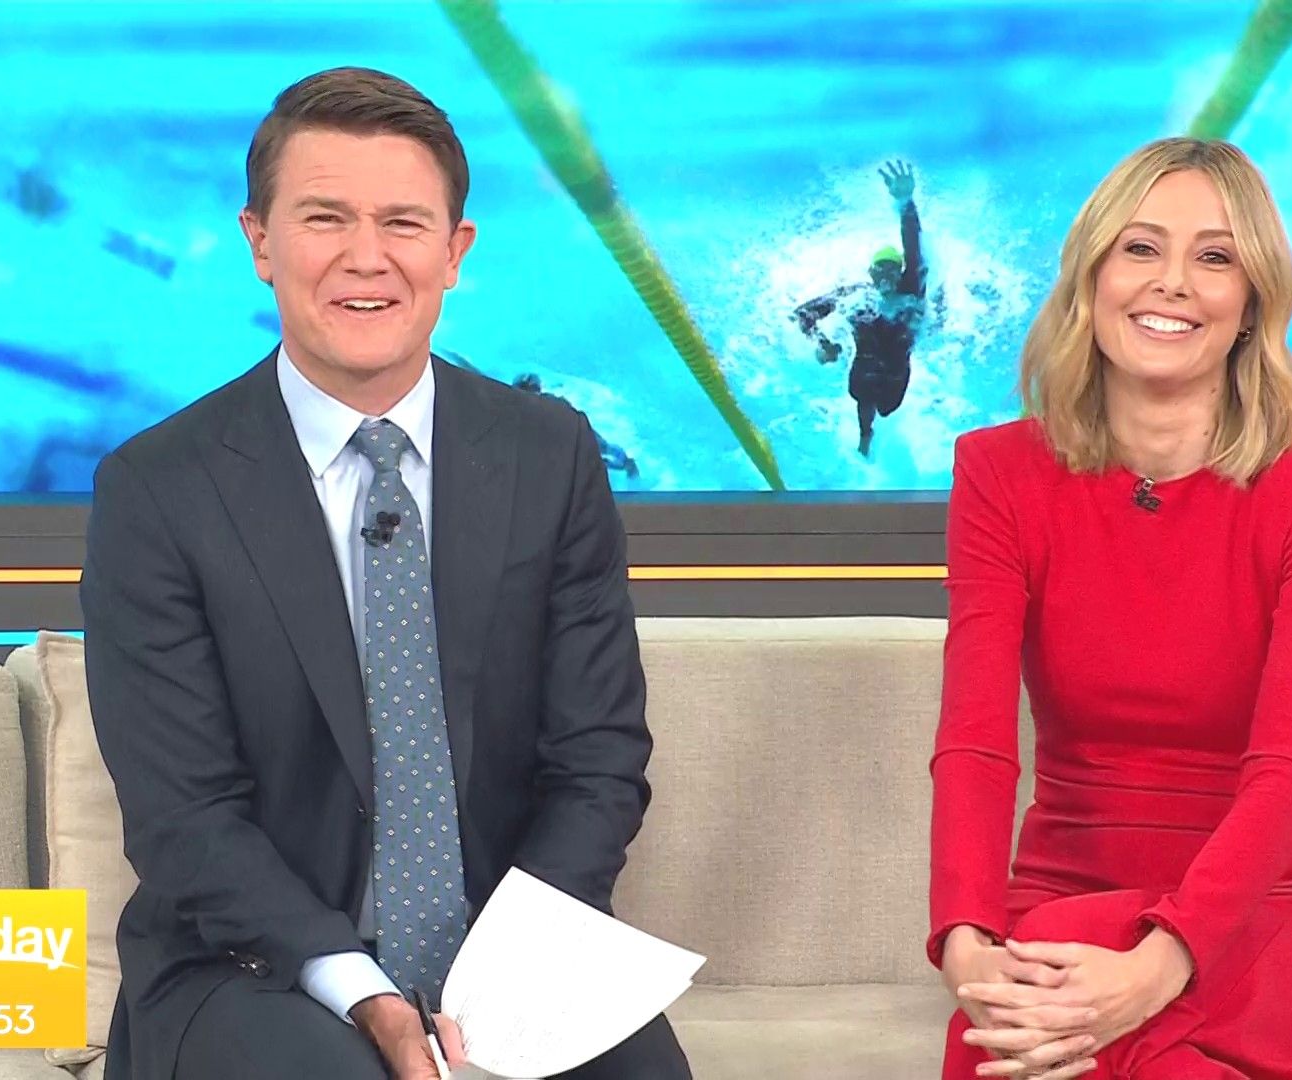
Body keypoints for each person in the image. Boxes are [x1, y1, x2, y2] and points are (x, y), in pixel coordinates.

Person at [81, 67, 691, 1080]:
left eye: (403, 223)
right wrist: (362, 989)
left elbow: (597, 760)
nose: (366, 258)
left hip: (508, 956)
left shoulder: (549, 456)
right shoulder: (159, 487)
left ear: (455, 253)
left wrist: (504, 975)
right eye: (324, 218)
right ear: (260, 242)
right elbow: (184, 818)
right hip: (257, 966)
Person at [929, 137, 1292, 1080]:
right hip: (1060, 898)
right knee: (1066, 1022)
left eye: (1215, 257)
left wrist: (1160, 964)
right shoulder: (998, 473)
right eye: (1141, 248)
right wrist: (964, 937)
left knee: (1034, 1032)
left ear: (1252, 301)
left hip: (1272, 916)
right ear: (1092, 277)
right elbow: (976, 741)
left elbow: (1291, 769)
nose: (1172, 281)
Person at [793, 159, 928, 457]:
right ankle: (866, 435)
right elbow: (802, 314)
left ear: (900, 272)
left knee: (887, 408)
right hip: (865, 366)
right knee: (863, 397)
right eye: (879, 271)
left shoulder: (911, 290)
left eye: (892, 270)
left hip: (896, 369)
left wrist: (906, 203)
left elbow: (914, 248)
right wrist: (822, 343)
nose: (886, 277)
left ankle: (870, 430)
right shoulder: (858, 295)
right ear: (870, 274)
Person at [512, 373, 639, 479]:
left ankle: (627, 463)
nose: (526, 397)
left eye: (528, 391)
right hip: (562, 439)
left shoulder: (551, 403)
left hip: (574, 432)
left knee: (600, 450)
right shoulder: (520, 411)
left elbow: (568, 416)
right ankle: (623, 465)